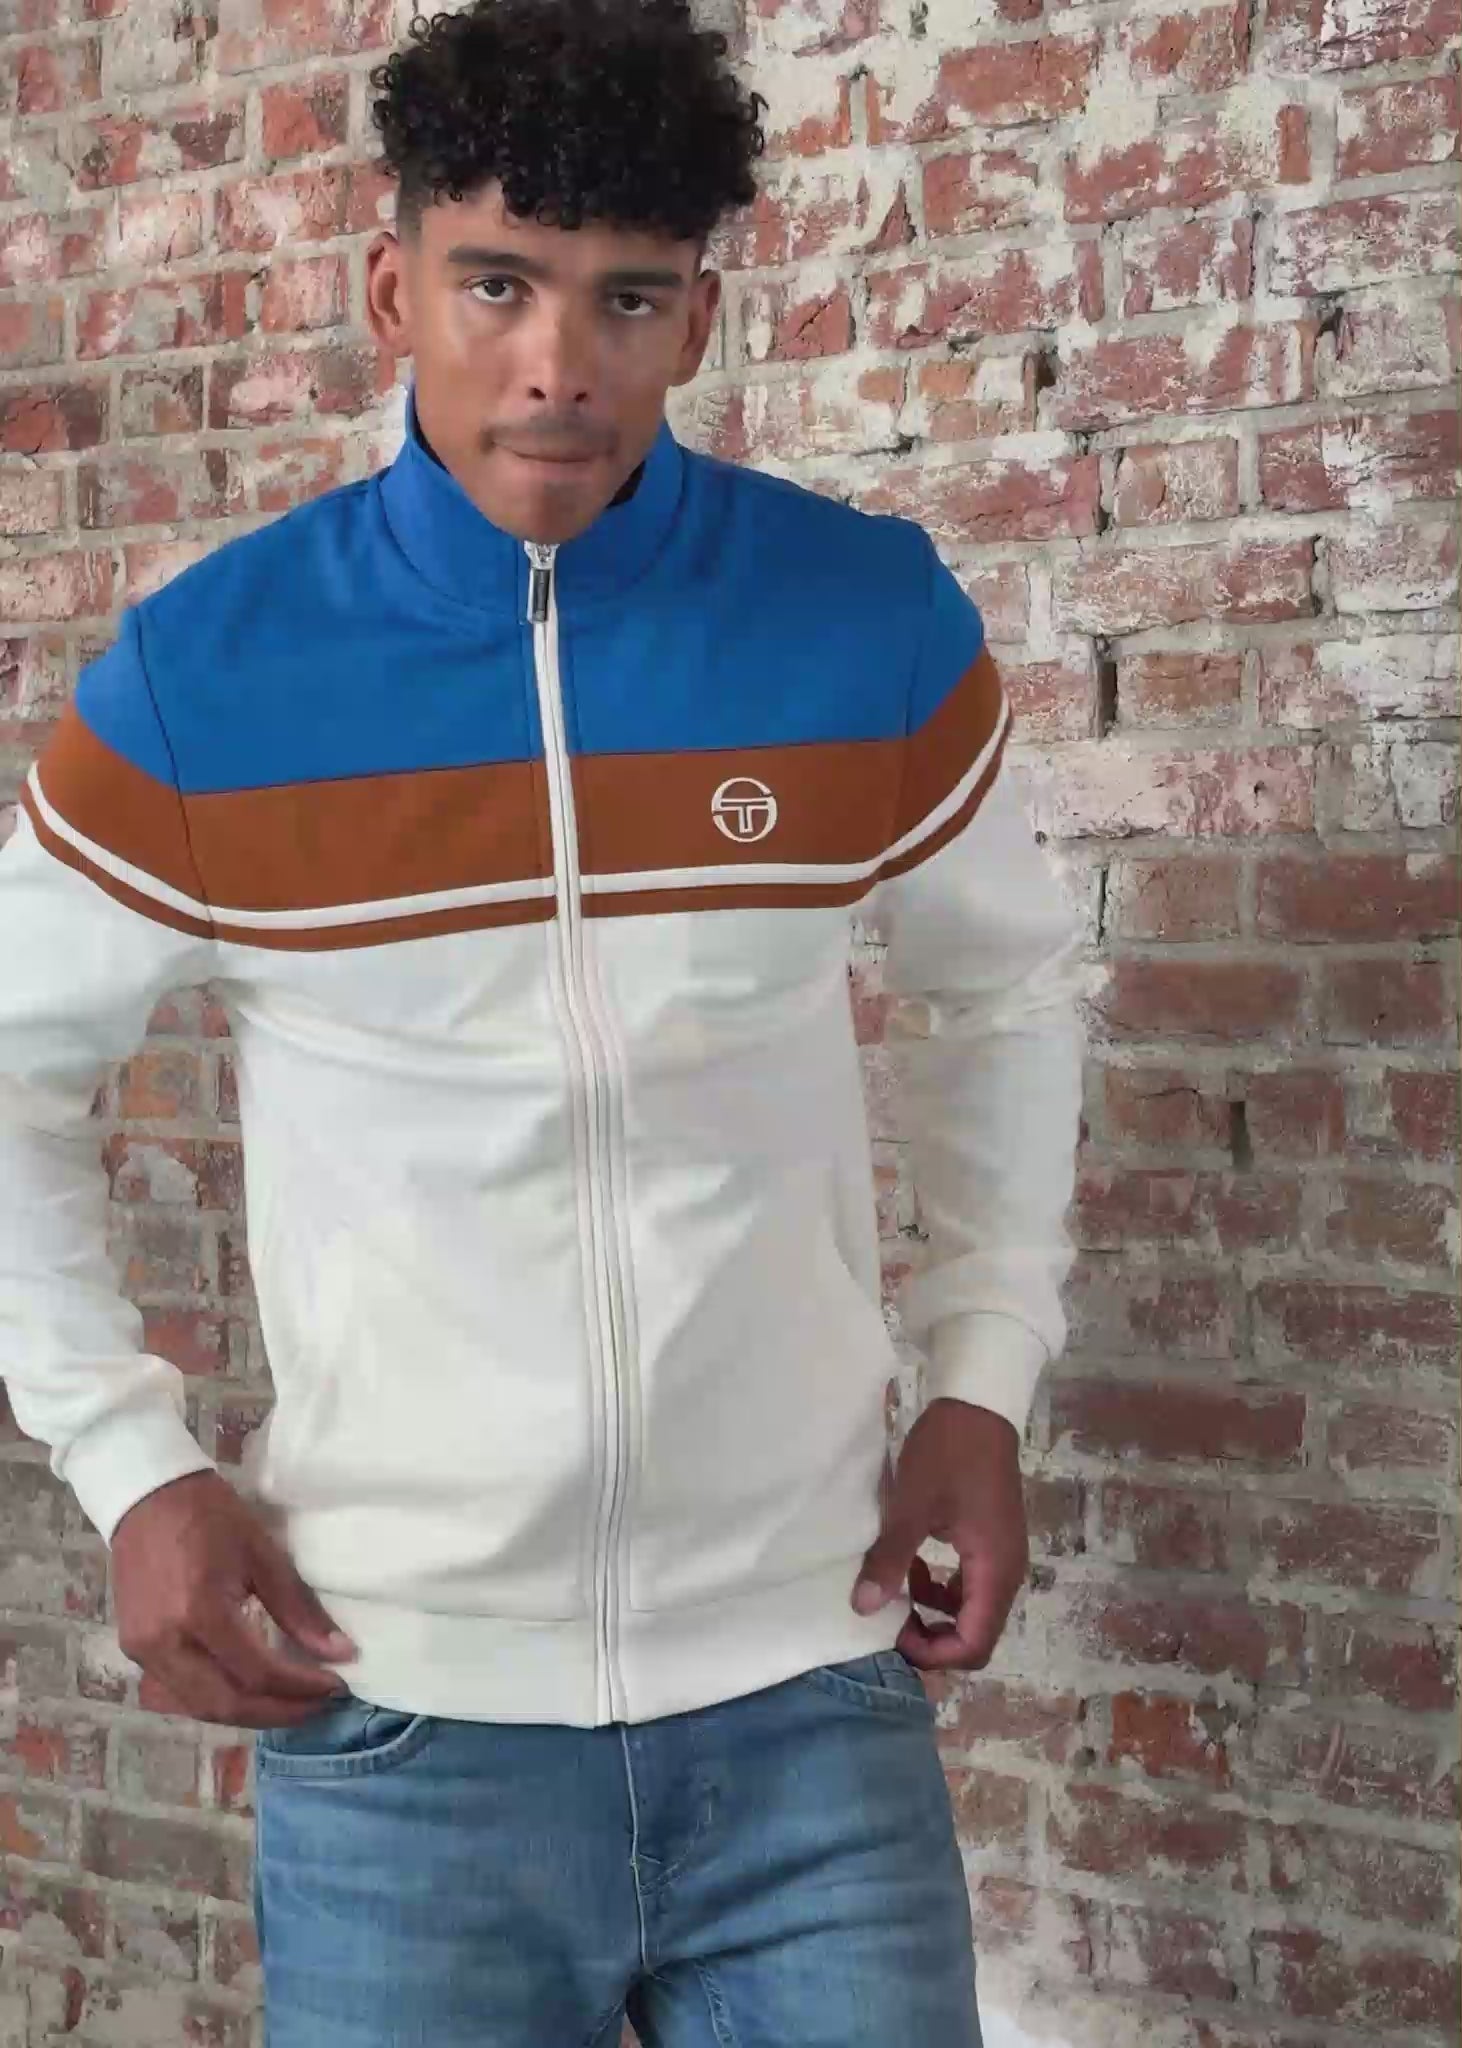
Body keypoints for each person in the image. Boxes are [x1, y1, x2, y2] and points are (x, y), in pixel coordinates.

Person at [0, 0, 1082, 2039]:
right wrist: (125, 1460)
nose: (557, 364)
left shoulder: (860, 621)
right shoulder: (208, 675)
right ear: (391, 286)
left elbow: (1003, 983)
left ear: (697, 317)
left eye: (626, 297)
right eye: (496, 283)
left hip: (809, 1695)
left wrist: (981, 1375)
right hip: (402, 1727)